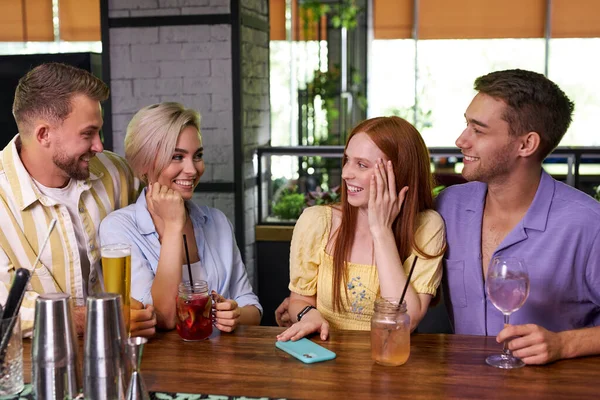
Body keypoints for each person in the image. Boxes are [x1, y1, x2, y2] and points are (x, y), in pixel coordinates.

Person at [437, 69, 600, 365]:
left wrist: (564, 344)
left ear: (526, 145)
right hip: (461, 387)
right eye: (466, 125)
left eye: (478, 130)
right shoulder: (448, 207)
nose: (461, 140)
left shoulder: (589, 225)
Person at [0, 62, 156, 337]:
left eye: (99, 131)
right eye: (87, 134)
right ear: (43, 134)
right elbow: (4, 309)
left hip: (127, 353)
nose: (99, 146)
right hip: (34, 370)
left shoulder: (117, 173)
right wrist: (92, 318)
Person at [276, 116, 446, 342]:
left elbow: (404, 321)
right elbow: (299, 300)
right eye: (347, 160)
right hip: (326, 360)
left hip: (391, 361)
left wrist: (382, 231)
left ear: (399, 172)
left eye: (362, 165)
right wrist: (309, 315)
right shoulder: (317, 221)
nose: (346, 173)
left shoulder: (427, 227)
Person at [99, 102, 262, 332]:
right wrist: (174, 226)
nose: (193, 169)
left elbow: (251, 306)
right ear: (144, 164)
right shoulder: (118, 228)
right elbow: (163, 317)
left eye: (198, 156)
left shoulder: (217, 221)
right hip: (163, 365)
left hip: (222, 361)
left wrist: (236, 314)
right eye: (177, 157)